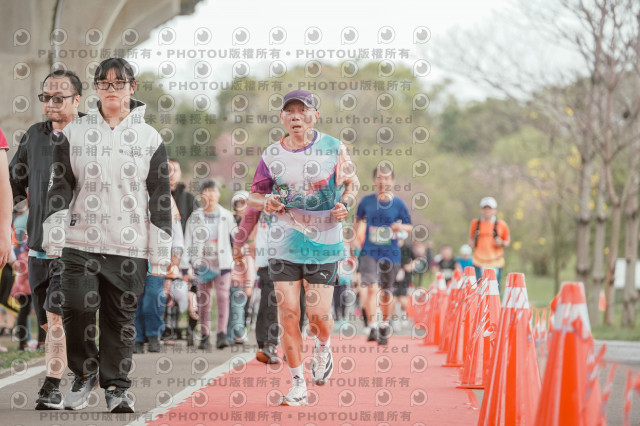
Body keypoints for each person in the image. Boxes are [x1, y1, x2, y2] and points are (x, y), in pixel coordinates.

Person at [42, 58, 172, 413]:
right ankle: (85, 372)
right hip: (79, 242)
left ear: (132, 86)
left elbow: (160, 196)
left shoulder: (150, 137)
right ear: (96, 87)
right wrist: (54, 231)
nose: (111, 89)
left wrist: (161, 252)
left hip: (130, 245)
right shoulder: (75, 132)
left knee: (120, 320)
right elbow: (60, 186)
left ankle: (116, 387)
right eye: (104, 82)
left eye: (119, 82)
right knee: (74, 306)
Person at [246, 89, 359, 406]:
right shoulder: (272, 155)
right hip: (284, 241)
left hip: (324, 242)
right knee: (288, 313)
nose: (296, 116)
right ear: (282, 117)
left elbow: (352, 183)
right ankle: (298, 384)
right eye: (290, 111)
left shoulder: (334, 148)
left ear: (314, 116)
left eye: (303, 110)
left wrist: (345, 203)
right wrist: (266, 202)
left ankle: (323, 346)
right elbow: (254, 196)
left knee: (319, 315)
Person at [9, 70, 83, 409]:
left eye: (59, 98)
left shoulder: (93, 135)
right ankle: (86, 367)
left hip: (76, 246)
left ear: (77, 100)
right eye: (45, 97)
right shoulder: (34, 137)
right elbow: (12, 185)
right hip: (39, 246)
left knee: (55, 316)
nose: (51, 103)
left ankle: (52, 385)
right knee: (48, 320)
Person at [354, 165, 412, 345]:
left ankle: (384, 324)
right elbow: (357, 220)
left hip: (391, 254)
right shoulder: (366, 201)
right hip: (369, 252)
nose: (383, 181)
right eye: (379, 177)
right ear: (374, 181)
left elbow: (409, 227)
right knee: (372, 288)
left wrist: (400, 227)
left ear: (392, 181)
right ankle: (372, 326)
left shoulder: (399, 204)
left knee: (387, 293)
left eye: (386, 178)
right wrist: (354, 239)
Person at [181, 179, 236, 350]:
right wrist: (185, 266)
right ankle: (204, 335)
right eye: (207, 191)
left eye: (214, 191)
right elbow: (188, 242)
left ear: (218, 194)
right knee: (203, 300)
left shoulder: (227, 216)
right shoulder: (195, 217)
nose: (211, 195)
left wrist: (237, 260)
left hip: (223, 264)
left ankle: (221, 335)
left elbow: (235, 240)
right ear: (202, 194)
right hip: (202, 265)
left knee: (223, 297)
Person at [134, 196, 184, 353]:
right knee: (136, 298)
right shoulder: (132, 191)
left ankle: (153, 335)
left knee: (153, 296)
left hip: (158, 257)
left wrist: (176, 254)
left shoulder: (166, 197)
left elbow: (176, 231)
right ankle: (137, 338)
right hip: (135, 256)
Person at [167, 158, 197, 345]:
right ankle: (165, 331)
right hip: (160, 254)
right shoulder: (153, 196)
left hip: (185, 256)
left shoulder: (189, 200)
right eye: (167, 169)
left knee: (190, 291)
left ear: (180, 173)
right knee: (164, 293)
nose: (171, 174)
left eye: (174, 170)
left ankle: (191, 331)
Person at [467, 196, 511, 287]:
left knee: (494, 290)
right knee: (478, 289)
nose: (487, 210)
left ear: (495, 210)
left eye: (489, 208)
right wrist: (471, 243)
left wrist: (501, 242)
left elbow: (507, 242)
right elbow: (471, 240)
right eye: (484, 208)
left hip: (496, 263)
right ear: (481, 210)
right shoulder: (475, 223)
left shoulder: (501, 224)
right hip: (478, 262)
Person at [393, 237, 414, 329]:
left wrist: (411, 266)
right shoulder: (391, 247)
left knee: (403, 301)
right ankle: (395, 320)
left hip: (404, 278)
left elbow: (416, 260)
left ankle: (403, 313)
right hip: (392, 278)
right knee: (392, 301)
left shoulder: (407, 248)